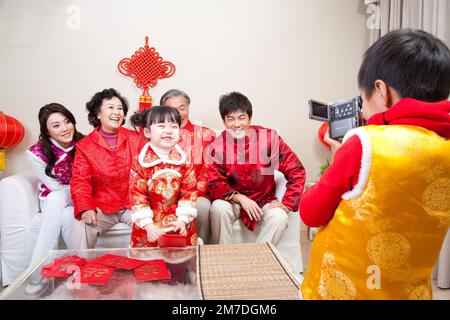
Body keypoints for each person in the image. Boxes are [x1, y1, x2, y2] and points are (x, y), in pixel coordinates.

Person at [300, 29, 450, 300]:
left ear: (381, 91)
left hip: (344, 292)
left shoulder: (363, 143)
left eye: (363, 98)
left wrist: (338, 161)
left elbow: (311, 213)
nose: (363, 110)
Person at [208, 92, 306, 245]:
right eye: (230, 119)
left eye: (241, 117)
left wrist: (287, 203)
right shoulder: (217, 145)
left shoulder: (269, 138)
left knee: (279, 217)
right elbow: (214, 182)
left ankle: (259, 258)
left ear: (250, 118)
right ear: (223, 121)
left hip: (264, 200)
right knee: (218, 208)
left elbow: (297, 170)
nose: (237, 124)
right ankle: (223, 258)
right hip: (233, 201)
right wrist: (239, 198)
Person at [70, 88, 143, 249]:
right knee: (81, 226)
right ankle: (81, 270)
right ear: (98, 114)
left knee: (148, 225)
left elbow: (147, 171)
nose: (116, 112)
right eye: (110, 107)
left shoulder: (135, 138)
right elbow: (80, 181)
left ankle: (148, 270)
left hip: (132, 204)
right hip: (102, 207)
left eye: (120, 108)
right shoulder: (84, 146)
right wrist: (86, 208)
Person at [25, 103, 84, 295]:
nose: (65, 128)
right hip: (53, 196)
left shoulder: (86, 143)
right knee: (58, 199)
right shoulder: (36, 152)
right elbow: (55, 187)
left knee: (68, 216)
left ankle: (76, 268)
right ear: (47, 130)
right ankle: (39, 271)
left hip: (81, 196)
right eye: (56, 125)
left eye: (67, 122)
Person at [128, 106, 198, 247]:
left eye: (173, 126)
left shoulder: (184, 160)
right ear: (147, 132)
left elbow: (189, 192)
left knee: (181, 264)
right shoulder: (140, 162)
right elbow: (137, 195)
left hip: (179, 224)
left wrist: (183, 220)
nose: (168, 131)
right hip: (150, 227)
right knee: (150, 266)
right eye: (161, 126)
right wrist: (147, 225)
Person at [160, 89, 216, 243]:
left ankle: (201, 251)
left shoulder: (207, 135)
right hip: (164, 194)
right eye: (171, 109)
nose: (178, 113)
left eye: (181, 108)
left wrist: (188, 195)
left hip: (196, 194)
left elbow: (209, 171)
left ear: (188, 108)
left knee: (203, 207)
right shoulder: (159, 136)